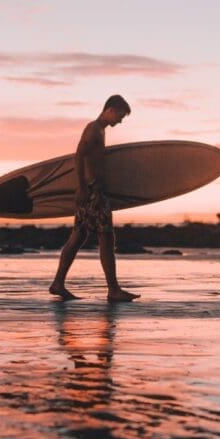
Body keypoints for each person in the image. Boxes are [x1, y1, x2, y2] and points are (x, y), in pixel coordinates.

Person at [49, 95, 140, 302]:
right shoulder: (93, 129)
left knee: (78, 236)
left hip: (93, 191)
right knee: (106, 237)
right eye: (120, 116)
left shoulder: (99, 130)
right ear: (110, 109)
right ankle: (113, 290)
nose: (120, 121)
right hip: (93, 193)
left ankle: (58, 283)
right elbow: (79, 155)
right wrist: (82, 188)